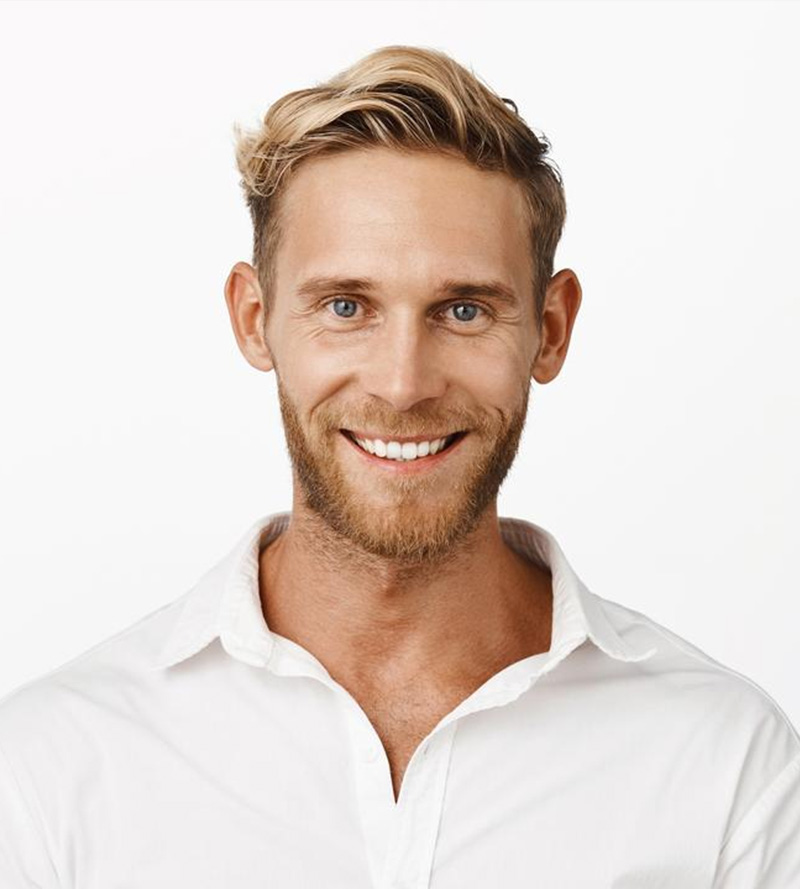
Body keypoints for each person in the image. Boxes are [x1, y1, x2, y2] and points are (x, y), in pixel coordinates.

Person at [0, 44, 797, 888]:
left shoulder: (726, 768)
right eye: (346, 307)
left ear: (551, 329)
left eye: (463, 309)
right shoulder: (54, 771)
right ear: (253, 318)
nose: (402, 384)